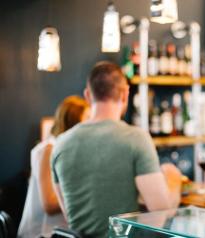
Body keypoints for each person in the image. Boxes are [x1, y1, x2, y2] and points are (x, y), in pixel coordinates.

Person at [51, 61, 182, 237]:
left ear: (88, 96)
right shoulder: (136, 138)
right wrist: (174, 179)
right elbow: (161, 212)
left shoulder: (60, 144)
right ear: (125, 94)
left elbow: (70, 215)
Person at [18, 96, 89, 238]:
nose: (90, 124)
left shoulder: (68, 149)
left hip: (61, 231)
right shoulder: (48, 150)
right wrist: (87, 195)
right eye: (86, 118)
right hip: (41, 233)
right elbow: (49, 205)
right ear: (73, 122)